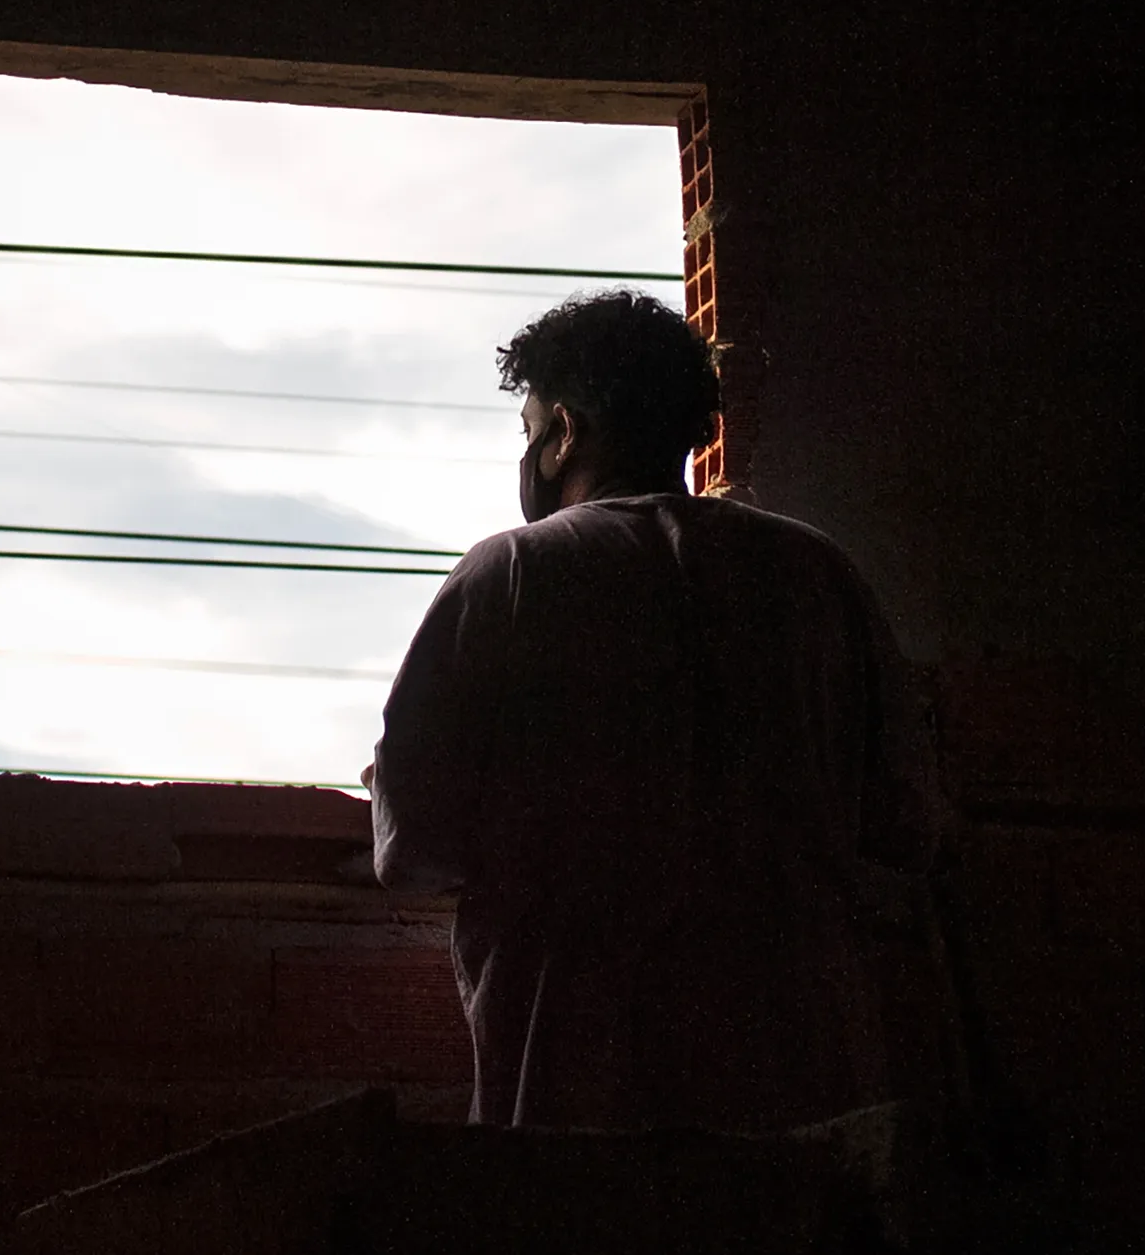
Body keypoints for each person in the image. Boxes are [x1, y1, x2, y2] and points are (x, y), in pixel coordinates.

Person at [363, 290, 942, 1133]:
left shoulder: (511, 575)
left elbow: (411, 846)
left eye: (528, 432)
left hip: (577, 1084)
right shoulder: (820, 576)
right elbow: (907, 829)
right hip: (801, 1081)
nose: (527, 455)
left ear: (563, 431)